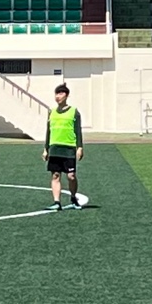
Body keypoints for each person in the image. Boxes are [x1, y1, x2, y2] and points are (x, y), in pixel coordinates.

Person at [41, 82, 84, 211]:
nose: (58, 96)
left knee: (71, 176)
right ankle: (57, 202)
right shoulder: (52, 112)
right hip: (55, 148)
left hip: (69, 148)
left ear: (66, 95)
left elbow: (78, 130)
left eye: (61, 93)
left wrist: (79, 147)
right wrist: (46, 148)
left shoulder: (74, 112)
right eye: (56, 94)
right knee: (55, 175)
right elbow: (49, 131)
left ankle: (73, 198)